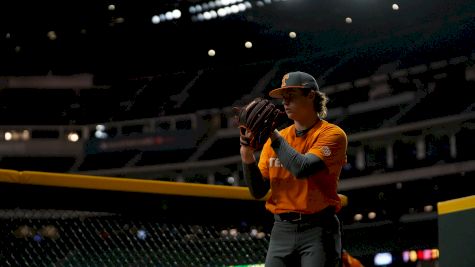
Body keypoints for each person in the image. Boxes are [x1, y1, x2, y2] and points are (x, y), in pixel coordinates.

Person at [240, 71, 348, 267]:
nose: (285, 102)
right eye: (283, 97)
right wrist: (246, 153)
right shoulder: (278, 138)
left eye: (291, 96)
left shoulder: (332, 134)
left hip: (318, 228)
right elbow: (258, 191)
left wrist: (272, 134)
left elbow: (302, 168)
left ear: (311, 95)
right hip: (281, 229)